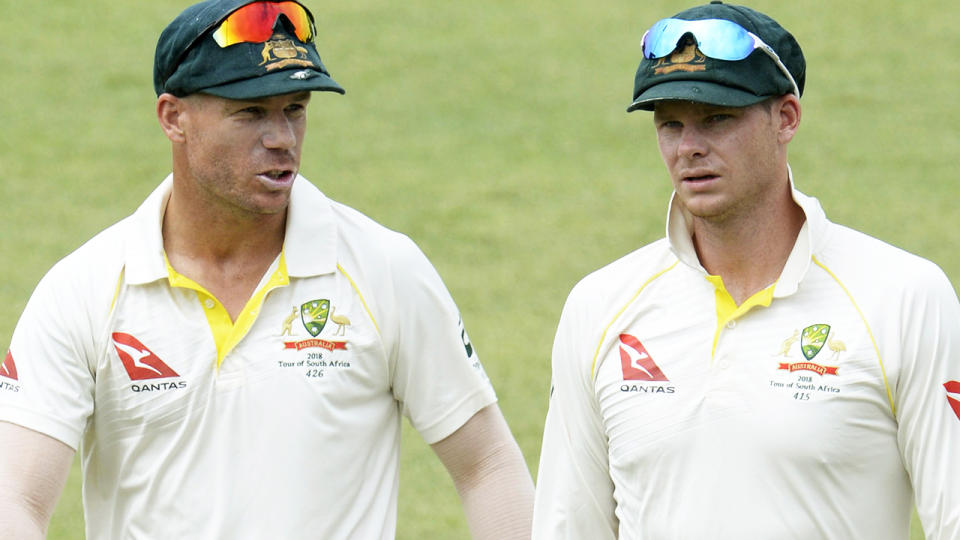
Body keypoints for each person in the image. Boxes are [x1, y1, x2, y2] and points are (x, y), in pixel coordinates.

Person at [0, 1, 534, 538]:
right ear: (173, 117)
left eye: (294, 109)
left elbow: (486, 465)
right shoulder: (84, 289)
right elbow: (15, 498)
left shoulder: (385, 269)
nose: (282, 138)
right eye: (250, 113)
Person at [532, 1, 960, 538]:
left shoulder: (904, 298)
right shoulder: (599, 307)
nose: (689, 148)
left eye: (718, 119)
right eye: (670, 125)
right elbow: (569, 525)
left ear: (786, 118)